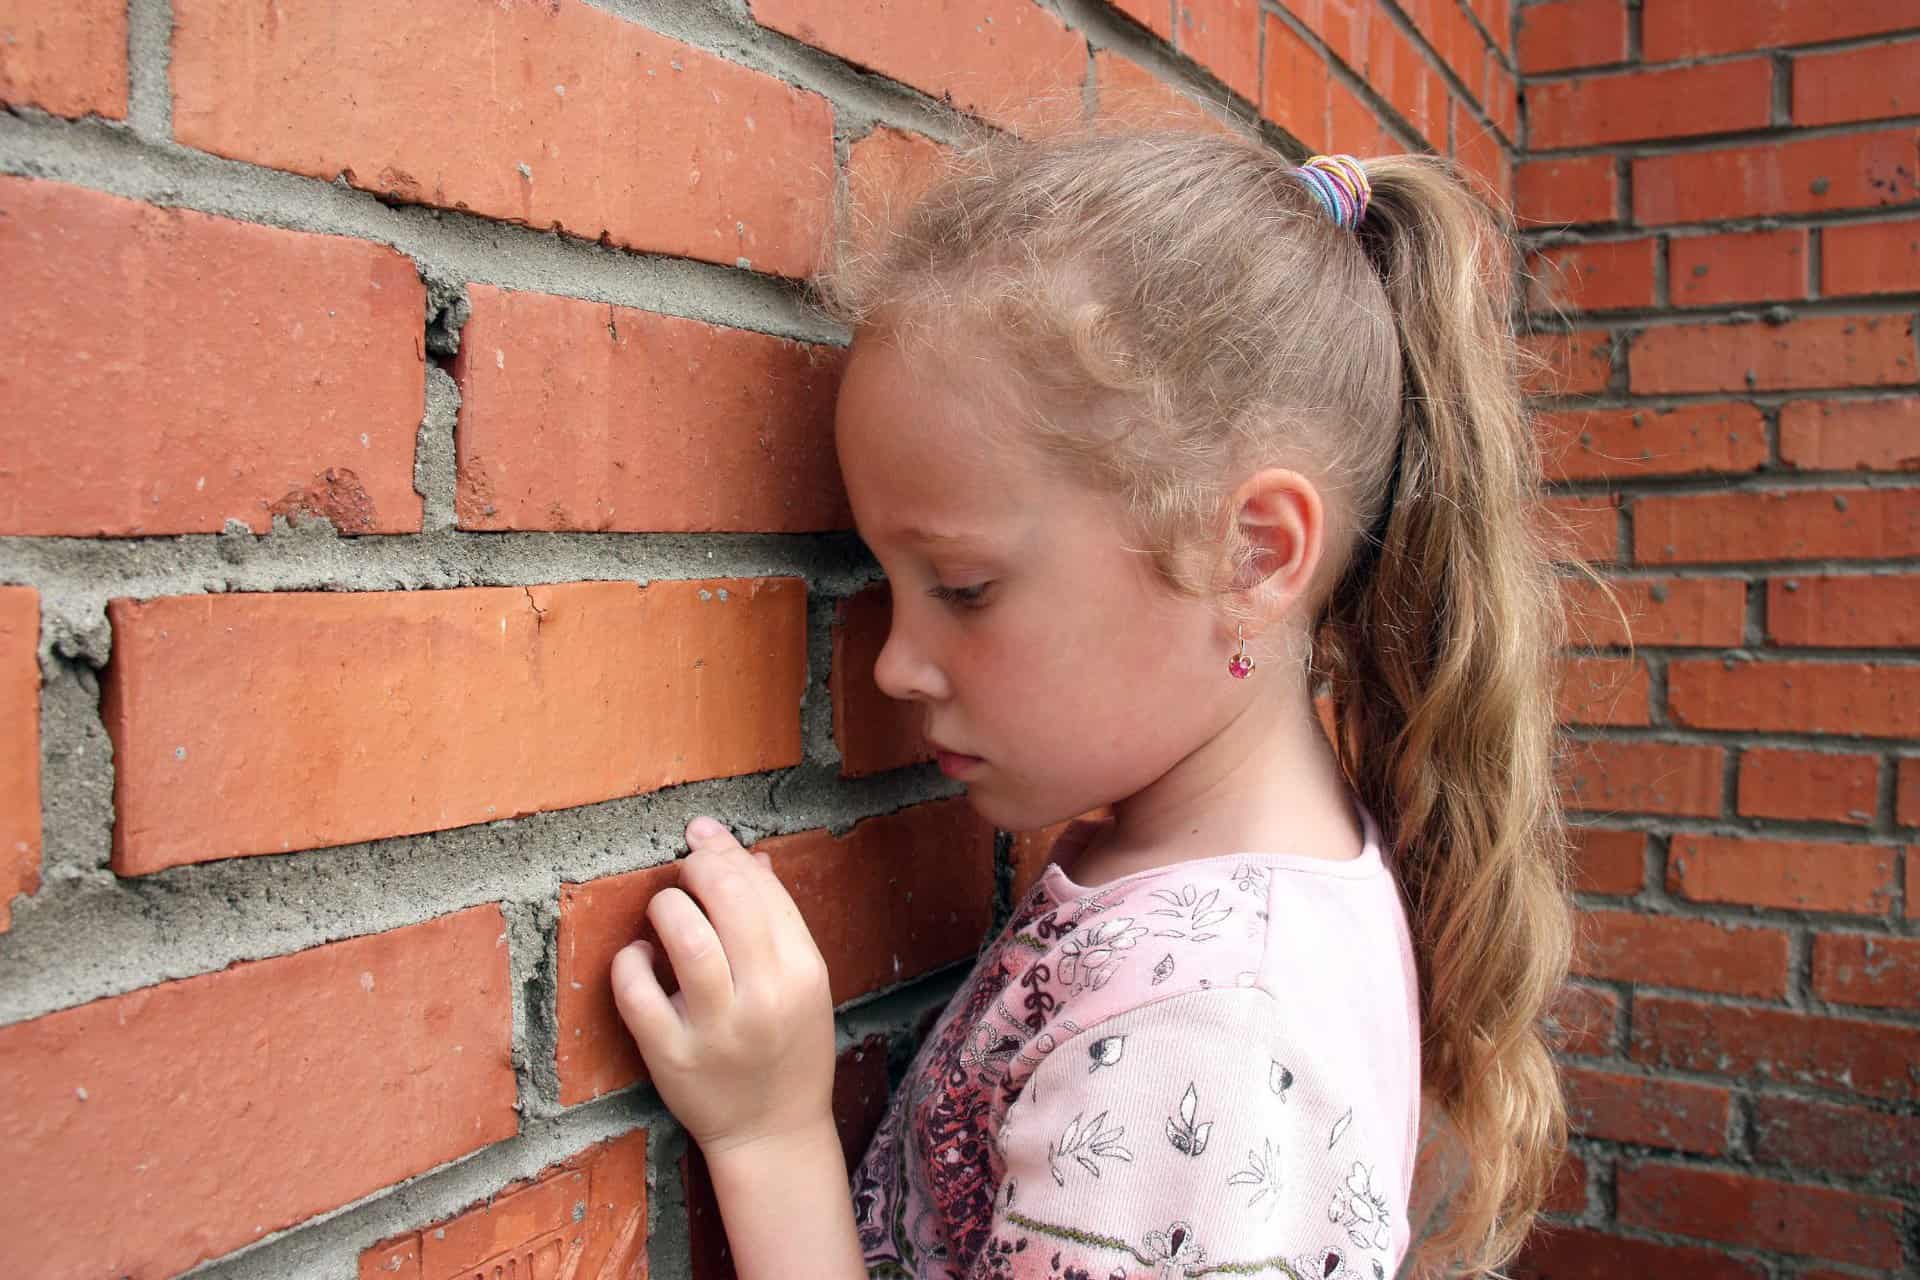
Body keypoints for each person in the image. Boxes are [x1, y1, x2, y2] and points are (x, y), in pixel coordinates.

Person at [611, 117, 1590, 1280]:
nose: (893, 664)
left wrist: (770, 1136)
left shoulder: (1203, 1034)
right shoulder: (1209, 876)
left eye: (963, 587)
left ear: (1252, 557)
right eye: (887, 583)